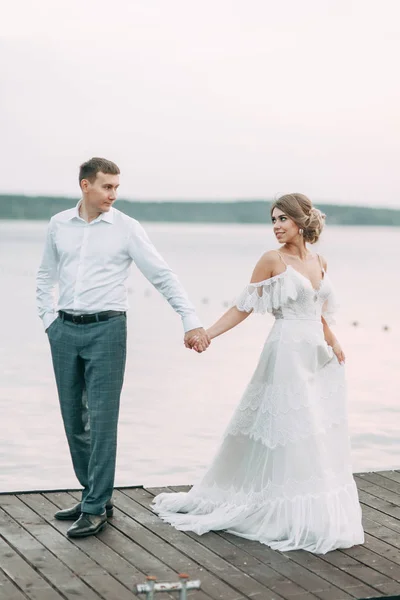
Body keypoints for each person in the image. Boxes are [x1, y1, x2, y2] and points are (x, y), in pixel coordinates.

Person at [153, 193, 364, 554]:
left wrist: (336, 343)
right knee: (289, 429)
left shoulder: (319, 260)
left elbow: (319, 311)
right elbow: (243, 307)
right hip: (285, 352)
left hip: (315, 353)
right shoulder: (271, 260)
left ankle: (308, 508)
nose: (276, 227)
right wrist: (207, 333)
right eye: (273, 220)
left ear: (301, 221)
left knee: (315, 428)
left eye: (283, 219)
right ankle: (279, 509)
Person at [36, 157, 210, 538]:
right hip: (64, 329)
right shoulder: (58, 225)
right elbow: (46, 275)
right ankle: (92, 493)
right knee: (72, 419)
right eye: (107, 187)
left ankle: (97, 505)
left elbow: (162, 275)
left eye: (116, 187)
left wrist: (190, 318)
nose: (113, 194)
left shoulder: (126, 228)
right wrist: (48, 320)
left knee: (101, 420)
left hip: (108, 331)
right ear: (86, 185)